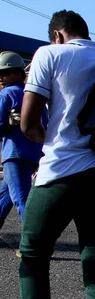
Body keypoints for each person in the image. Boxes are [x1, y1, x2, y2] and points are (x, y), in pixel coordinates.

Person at [7, 10, 95, 299]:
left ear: (57, 34)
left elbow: (28, 124)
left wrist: (53, 142)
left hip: (60, 174)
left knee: (33, 256)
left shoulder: (48, 55)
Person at [0, 52, 46, 235]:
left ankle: (34, 244)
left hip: (14, 153)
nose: (2, 77)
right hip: (32, 152)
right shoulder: (32, 94)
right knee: (5, 196)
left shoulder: (7, 94)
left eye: (6, 72)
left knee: (22, 199)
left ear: (18, 73)